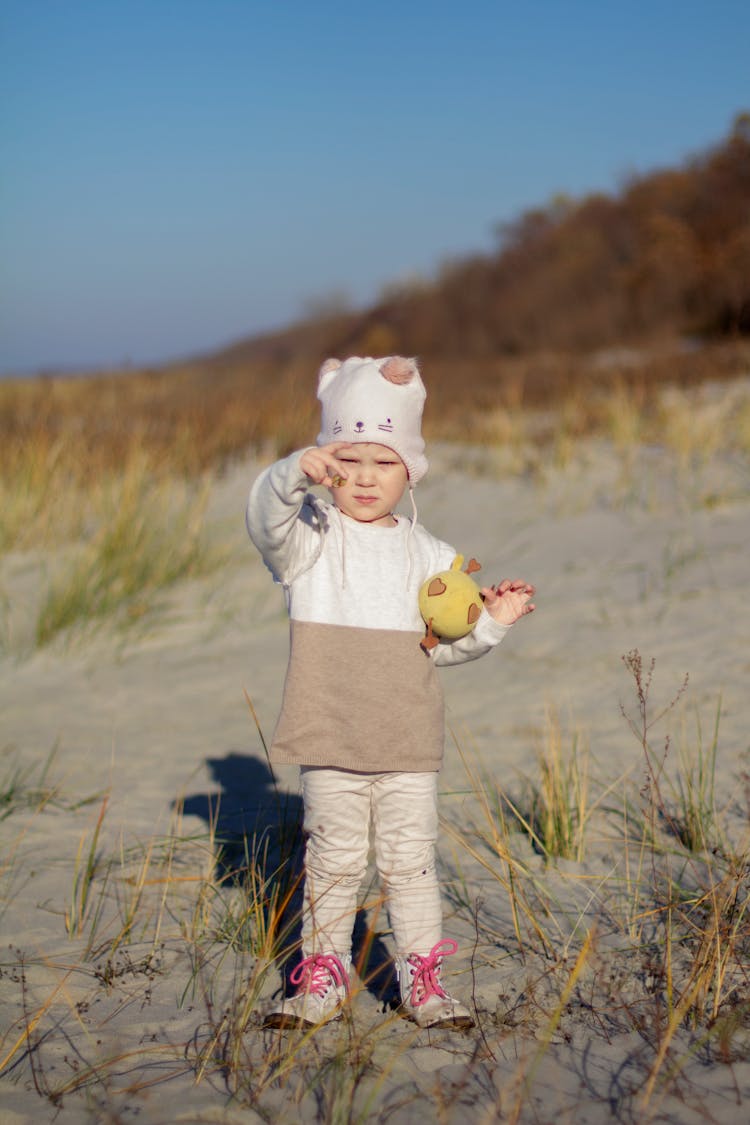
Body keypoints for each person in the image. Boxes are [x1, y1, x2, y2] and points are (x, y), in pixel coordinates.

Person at [246, 355, 535, 1030]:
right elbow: (264, 519)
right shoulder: (310, 538)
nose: (367, 477)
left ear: (411, 469)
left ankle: (423, 983)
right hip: (331, 733)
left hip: (407, 738)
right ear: (330, 463)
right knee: (333, 861)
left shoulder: (432, 556)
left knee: (411, 863)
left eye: (386, 461)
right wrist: (294, 471)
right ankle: (320, 978)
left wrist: (491, 621)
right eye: (350, 460)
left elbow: (443, 648)